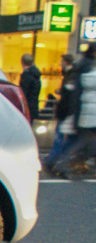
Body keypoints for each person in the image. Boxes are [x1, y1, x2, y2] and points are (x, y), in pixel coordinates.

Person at [52, 44, 96, 179]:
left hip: (82, 114)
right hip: (86, 115)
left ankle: (59, 162)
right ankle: (60, 163)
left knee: (75, 141)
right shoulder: (87, 70)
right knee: (76, 142)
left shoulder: (81, 68)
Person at [44, 53, 75, 173]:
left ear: (66, 62)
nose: (60, 64)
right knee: (62, 137)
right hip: (67, 111)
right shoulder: (69, 75)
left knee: (60, 136)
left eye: (62, 62)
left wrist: (61, 91)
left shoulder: (70, 75)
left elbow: (69, 94)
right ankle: (54, 159)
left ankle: (53, 159)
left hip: (66, 111)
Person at [19, 53, 42, 121]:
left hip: (27, 106)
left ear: (22, 62)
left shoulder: (27, 76)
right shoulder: (36, 76)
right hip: (33, 105)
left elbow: (24, 92)